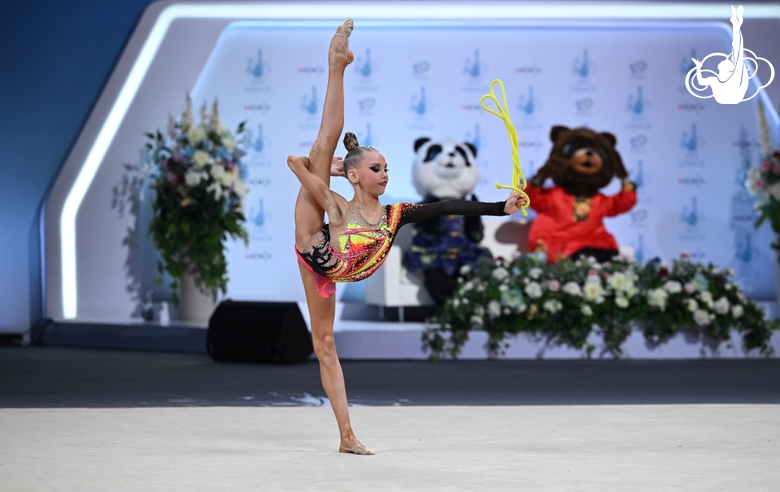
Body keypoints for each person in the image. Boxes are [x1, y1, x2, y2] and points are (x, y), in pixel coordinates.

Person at [287, 18, 526, 456]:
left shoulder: (396, 214)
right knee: (323, 146)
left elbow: (447, 206)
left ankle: (344, 438)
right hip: (315, 247)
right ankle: (336, 63)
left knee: (321, 154)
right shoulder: (338, 205)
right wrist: (334, 168)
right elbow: (294, 161)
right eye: (376, 169)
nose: (385, 175)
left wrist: (499, 208)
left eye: (387, 169)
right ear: (358, 175)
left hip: (344, 259)